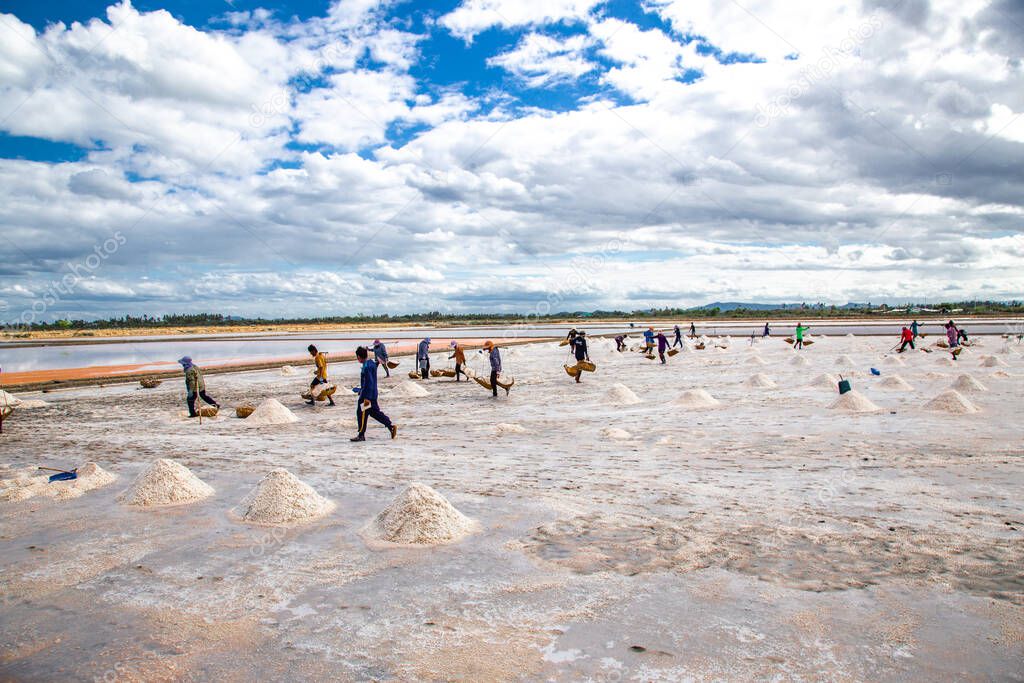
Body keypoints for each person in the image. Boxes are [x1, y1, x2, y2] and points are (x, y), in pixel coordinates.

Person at [351, 346, 396, 442]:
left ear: (359, 357)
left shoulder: (366, 367)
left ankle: (361, 435)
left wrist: (365, 396)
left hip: (367, 396)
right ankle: (390, 426)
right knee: (375, 413)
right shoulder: (370, 363)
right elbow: (374, 367)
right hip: (373, 394)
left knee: (361, 412)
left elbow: (369, 382)